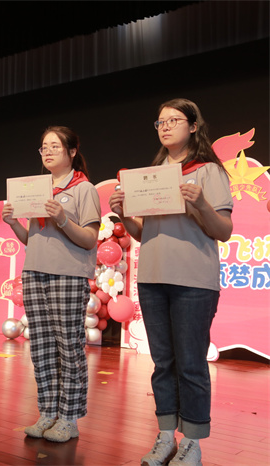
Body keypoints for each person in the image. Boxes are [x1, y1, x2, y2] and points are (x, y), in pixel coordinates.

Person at [109, 99, 233, 466]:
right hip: (152, 278)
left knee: (191, 364)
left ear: (193, 126)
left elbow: (223, 231)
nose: (164, 127)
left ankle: (192, 442)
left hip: (194, 281)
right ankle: (165, 436)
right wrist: (123, 214)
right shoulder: (153, 175)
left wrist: (202, 204)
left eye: (173, 120)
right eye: (160, 122)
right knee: (162, 363)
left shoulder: (208, 171)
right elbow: (142, 234)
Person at [2, 126, 100, 441]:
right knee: (42, 346)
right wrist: (13, 223)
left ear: (72, 151)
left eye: (55, 146)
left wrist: (62, 218)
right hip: (35, 272)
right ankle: (47, 412)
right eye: (44, 147)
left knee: (68, 346)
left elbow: (89, 239)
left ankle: (69, 418)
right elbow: (32, 239)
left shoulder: (84, 189)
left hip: (68, 274)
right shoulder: (37, 189)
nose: (47, 151)